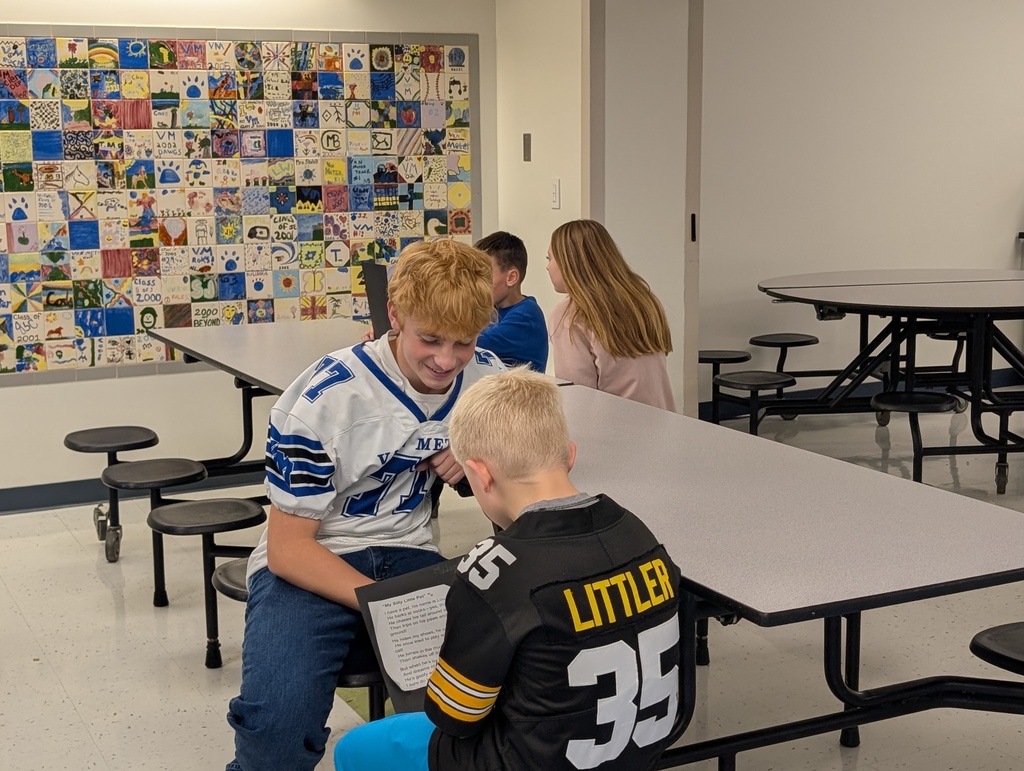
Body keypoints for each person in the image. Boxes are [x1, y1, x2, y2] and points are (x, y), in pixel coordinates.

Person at [226, 239, 506, 771]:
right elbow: (288, 551)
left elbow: (516, 500)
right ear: (394, 316)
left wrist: (472, 464)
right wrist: (388, 604)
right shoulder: (325, 399)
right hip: (313, 560)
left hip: (409, 551)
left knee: (470, 716)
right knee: (275, 733)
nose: (446, 361)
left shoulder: (486, 383)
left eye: (463, 343)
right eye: (430, 339)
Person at [334, 367, 682, 771]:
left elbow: (453, 718)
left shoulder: (491, 571)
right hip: (635, 749)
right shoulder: (637, 533)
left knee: (355, 749)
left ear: (479, 474)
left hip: (529, 760)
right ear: (569, 454)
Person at [546, 219, 675, 411]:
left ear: (570, 262)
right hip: (665, 423)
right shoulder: (643, 300)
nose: (548, 267)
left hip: (614, 429)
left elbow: (579, 396)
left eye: (550, 258)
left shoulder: (568, 315)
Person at [475, 231, 548, 372]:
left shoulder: (526, 316)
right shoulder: (491, 309)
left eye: (485, 274)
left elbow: (468, 343)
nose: (477, 283)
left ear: (511, 277)